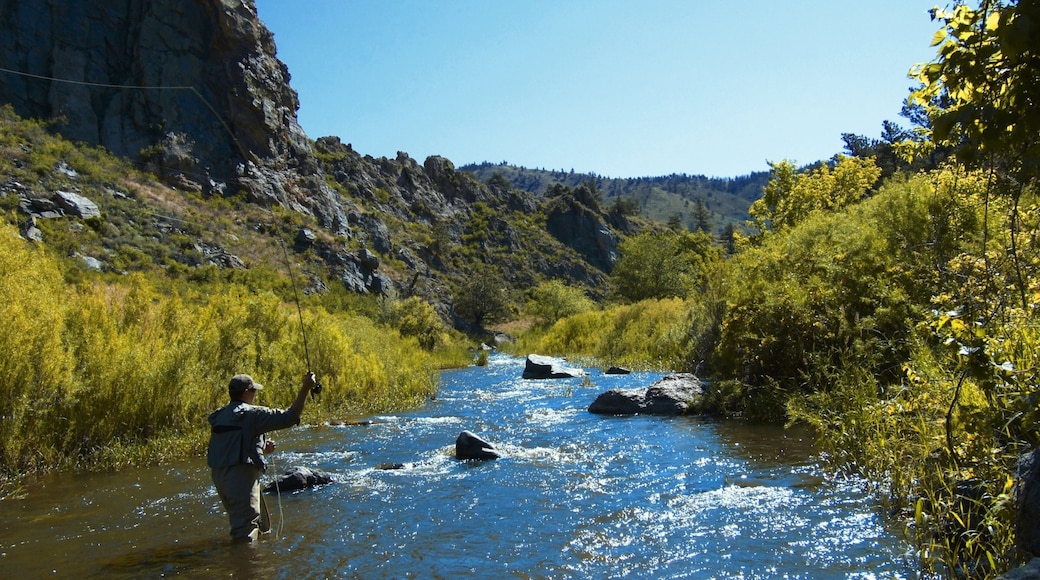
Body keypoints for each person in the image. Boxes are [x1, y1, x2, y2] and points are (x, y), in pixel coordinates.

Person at [208, 371, 317, 543]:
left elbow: (232, 444)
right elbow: (290, 417)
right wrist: (306, 387)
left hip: (220, 476)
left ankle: (252, 557)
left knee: (258, 525)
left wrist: (261, 451)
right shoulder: (251, 414)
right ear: (246, 393)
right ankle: (247, 566)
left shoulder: (220, 415)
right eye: (253, 392)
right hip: (241, 476)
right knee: (246, 530)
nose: (254, 396)